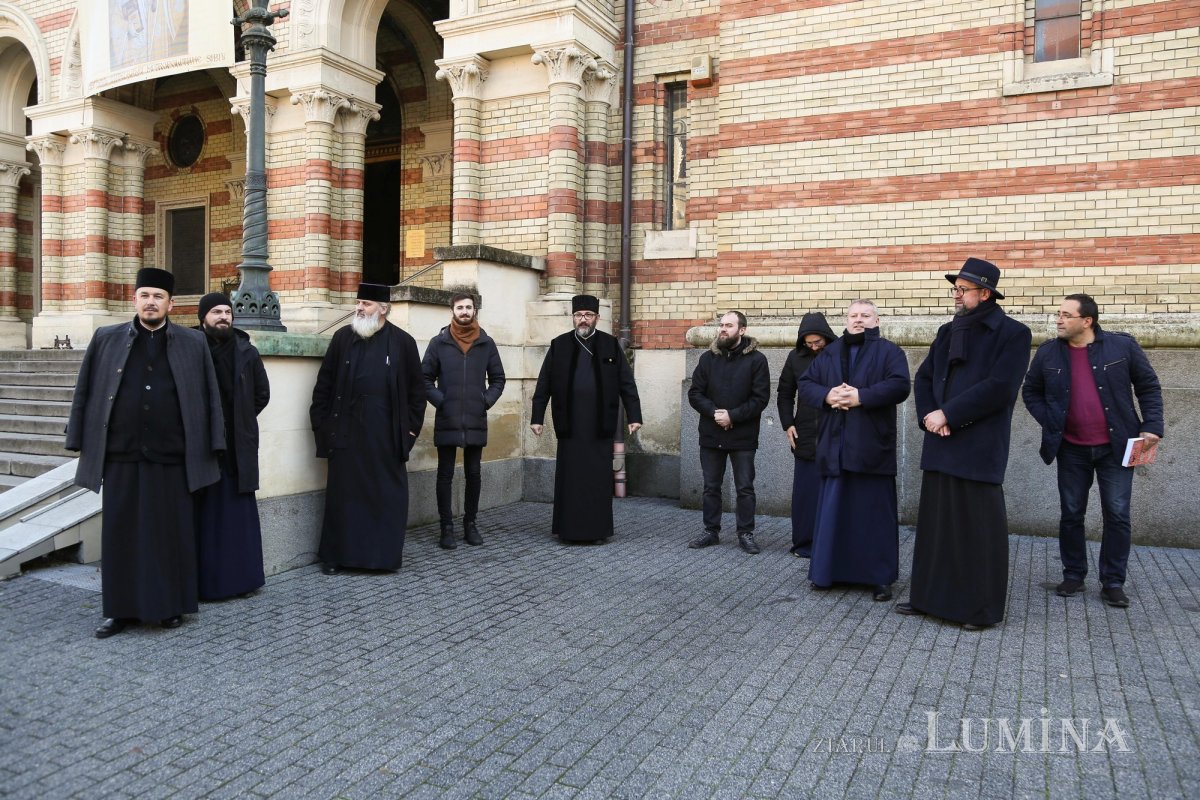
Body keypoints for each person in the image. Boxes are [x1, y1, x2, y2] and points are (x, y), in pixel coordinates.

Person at [66, 268, 224, 638]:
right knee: (120, 536)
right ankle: (119, 612)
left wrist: (215, 442)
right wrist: (77, 437)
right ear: (134, 299)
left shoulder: (192, 342)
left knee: (170, 535)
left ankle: (170, 607)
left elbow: (209, 396)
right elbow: (85, 390)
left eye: (158, 296)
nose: (150, 302)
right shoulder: (106, 338)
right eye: (144, 295)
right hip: (122, 454)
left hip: (172, 455)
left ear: (170, 303)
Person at [897, 258, 1032, 630]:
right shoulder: (947, 331)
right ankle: (928, 598)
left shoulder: (1013, 333)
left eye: (962, 289)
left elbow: (1001, 388)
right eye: (954, 288)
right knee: (936, 526)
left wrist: (950, 415)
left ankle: (977, 610)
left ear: (984, 293)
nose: (955, 295)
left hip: (978, 444)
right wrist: (929, 416)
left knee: (977, 530)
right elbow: (924, 378)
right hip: (940, 441)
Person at [1021, 293, 1164, 608]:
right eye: (1057, 313)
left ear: (1087, 321)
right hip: (1071, 449)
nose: (1058, 320)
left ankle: (1113, 582)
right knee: (1071, 513)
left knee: (1117, 514)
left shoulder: (1121, 346)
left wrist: (1152, 425)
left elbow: (1148, 386)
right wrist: (1050, 421)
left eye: (1065, 315)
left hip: (1116, 447)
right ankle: (1073, 574)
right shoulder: (1047, 353)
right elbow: (1030, 390)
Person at [798, 300, 911, 600]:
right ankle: (828, 573)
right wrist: (827, 395)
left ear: (877, 319)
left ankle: (879, 578)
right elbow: (806, 384)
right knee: (834, 513)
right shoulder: (830, 352)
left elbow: (900, 386)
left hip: (872, 447)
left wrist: (862, 397)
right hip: (835, 446)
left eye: (865, 315)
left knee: (874, 516)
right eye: (853, 315)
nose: (859, 320)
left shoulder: (890, 352)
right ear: (845, 319)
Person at [310, 283, 426, 573]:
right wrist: (322, 425)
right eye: (359, 302)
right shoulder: (341, 338)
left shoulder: (403, 342)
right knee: (343, 497)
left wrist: (410, 433)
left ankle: (381, 559)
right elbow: (324, 385)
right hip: (346, 432)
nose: (360, 308)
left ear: (383, 309)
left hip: (385, 436)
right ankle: (337, 557)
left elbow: (416, 393)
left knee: (384, 496)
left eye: (367, 303)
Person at [530, 295, 642, 543]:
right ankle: (567, 530)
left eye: (588, 315)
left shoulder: (610, 345)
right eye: (579, 315)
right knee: (570, 478)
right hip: (569, 424)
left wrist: (634, 415)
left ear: (597, 318)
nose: (583, 319)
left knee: (597, 479)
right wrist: (537, 417)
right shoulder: (559, 345)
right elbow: (544, 383)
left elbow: (626, 383)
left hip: (599, 424)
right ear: (572, 318)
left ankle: (597, 530)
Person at [193, 292, 271, 601]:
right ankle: (204, 584)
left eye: (227, 311)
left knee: (237, 518)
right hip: (203, 448)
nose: (223, 317)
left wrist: (239, 417)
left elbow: (261, 394)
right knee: (206, 517)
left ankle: (242, 580)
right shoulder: (190, 348)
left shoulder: (247, 351)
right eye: (216, 312)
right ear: (203, 318)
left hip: (237, 448)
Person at [422, 292, 506, 549]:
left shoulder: (486, 343)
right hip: (447, 417)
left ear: (475, 310)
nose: (465, 311)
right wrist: (441, 400)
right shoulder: (439, 342)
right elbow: (424, 378)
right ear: (452, 310)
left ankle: (470, 524)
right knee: (445, 475)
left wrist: (485, 400)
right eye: (460, 307)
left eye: (469, 307)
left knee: (474, 473)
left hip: (475, 416)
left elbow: (498, 379)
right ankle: (446, 528)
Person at [687, 311, 771, 554]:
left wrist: (732, 416)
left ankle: (745, 533)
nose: (723, 329)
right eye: (721, 325)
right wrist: (715, 413)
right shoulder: (707, 359)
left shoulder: (757, 360)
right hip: (711, 433)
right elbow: (695, 393)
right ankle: (710, 531)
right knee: (711, 486)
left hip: (742, 435)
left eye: (728, 325)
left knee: (745, 487)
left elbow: (760, 398)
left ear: (742, 330)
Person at [776, 312, 836, 557]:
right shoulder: (795, 357)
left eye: (818, 343)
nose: (814, 347)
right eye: (809, 343)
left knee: (832, 492)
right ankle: (804, 544)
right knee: (805, 493)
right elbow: (784, 394)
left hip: (834, 430)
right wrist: (787, 424)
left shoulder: (839, 353)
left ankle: (831, 543)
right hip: (805, 432)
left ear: (826, 338)